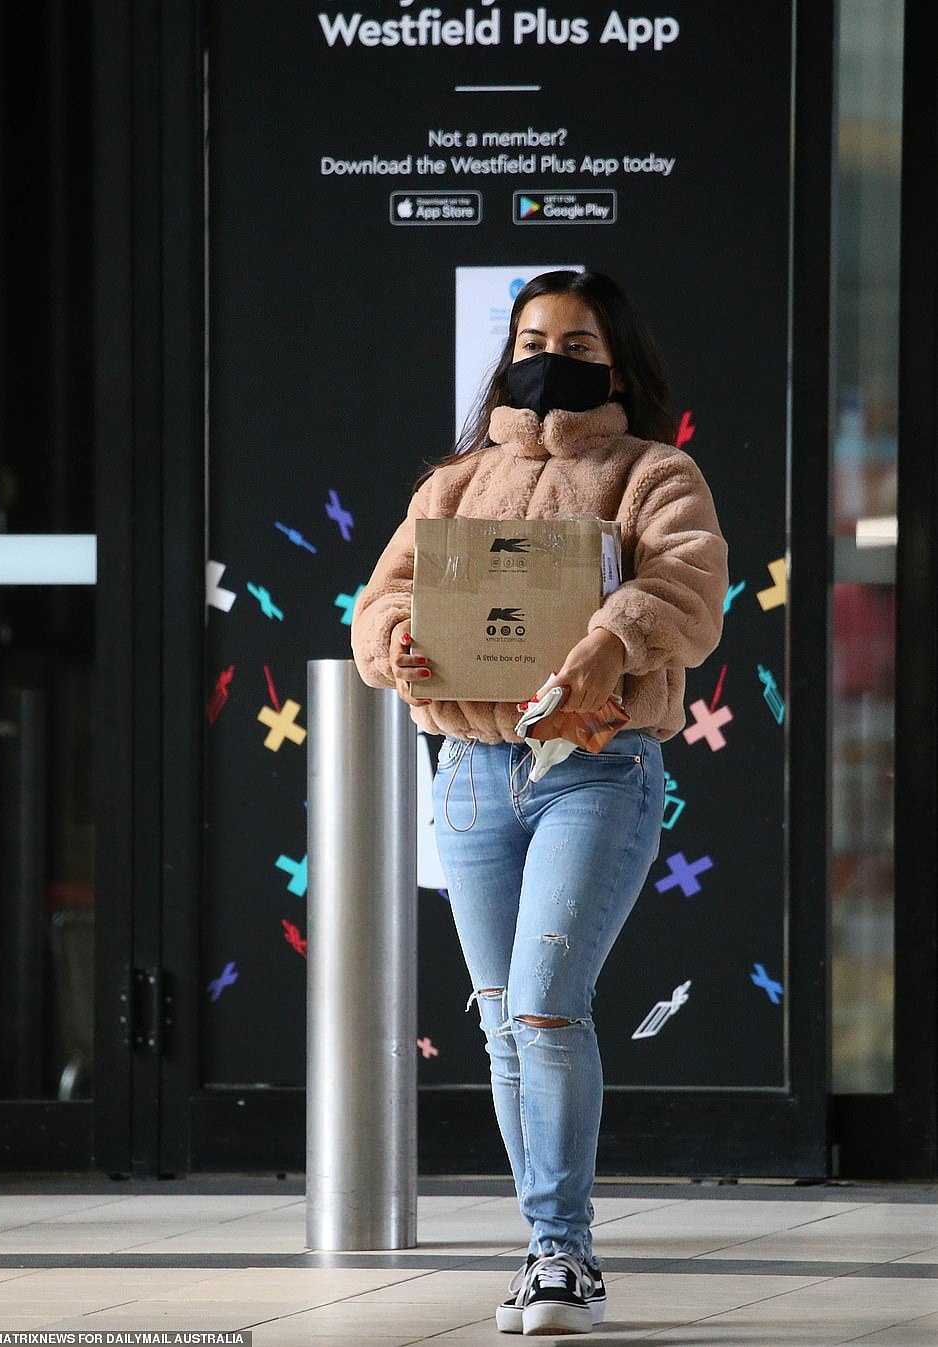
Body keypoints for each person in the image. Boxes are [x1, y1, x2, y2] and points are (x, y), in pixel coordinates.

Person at [351, 269, 728, 1336]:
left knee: (544, 1007)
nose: (548, 353)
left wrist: (609, 645)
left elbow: (687, 596)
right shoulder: (454, 485)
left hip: (596, 770)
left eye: (573, 337)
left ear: (615, 358)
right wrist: (396, 643)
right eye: (530, 335)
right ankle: (541, 1248)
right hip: (469, 773)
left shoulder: (655, 474)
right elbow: (376, 604)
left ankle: (565, 1255)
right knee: (502, 1031)